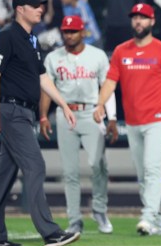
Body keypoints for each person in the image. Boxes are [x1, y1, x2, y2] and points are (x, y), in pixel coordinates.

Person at [0, 0, 81, 246]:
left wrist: (63, 104)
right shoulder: (6, 37)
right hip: (11, 111)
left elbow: (42, 76)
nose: (40, 8)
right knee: (35, 165)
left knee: (5, 174)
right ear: (20, 9)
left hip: (24, 112)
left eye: (41, 5)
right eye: (34, 5)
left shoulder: (31, 40)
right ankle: (49, 233)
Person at [93, 3, 161, 236]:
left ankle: (147, 216)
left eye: (143, 18)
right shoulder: (121, 51)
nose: (138, 21)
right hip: (134, 122)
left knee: (152, 168)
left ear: (152, 21)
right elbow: (110, 82)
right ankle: (159, 223)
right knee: (142, 174)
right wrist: (99, 104)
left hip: (159, 118)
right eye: (135, 17)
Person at [40, 15, 118, 234]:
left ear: (83, 32)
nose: (69, 35)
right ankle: (74, 218)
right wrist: (44, 116)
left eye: (73, 31)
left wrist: (111, 117)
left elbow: (107, 86)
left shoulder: (97, 55)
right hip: (65, 114)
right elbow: (47, 88)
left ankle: (99, 210)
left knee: (98, 165)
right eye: (66, 31)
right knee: (70, 172)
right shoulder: (54, 57)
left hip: (92, 112)